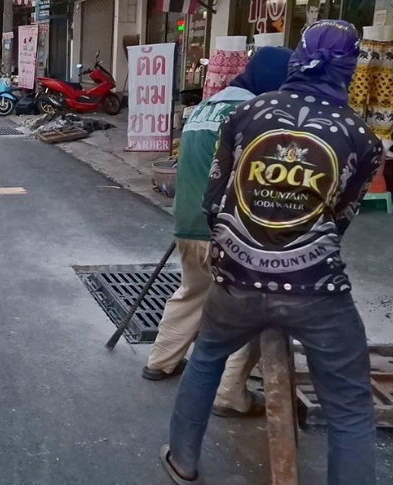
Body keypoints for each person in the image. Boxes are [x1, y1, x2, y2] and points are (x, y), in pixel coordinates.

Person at [160, 20, 381, 485]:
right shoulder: (362, 137)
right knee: (349, 407)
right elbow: (343, 216)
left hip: (237, 279)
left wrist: (239, 253)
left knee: (206, 357)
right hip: (315, 288)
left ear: (299, 57)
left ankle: (182, 460)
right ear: (349, 67)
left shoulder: (247, 113)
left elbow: (214, 199)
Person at [144, 46, 293, 418]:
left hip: (187, 221)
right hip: (228, 228)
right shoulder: (254, 113)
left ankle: (160, 360)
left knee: (193, 292)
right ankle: (229, 393)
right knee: (252, 310)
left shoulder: (205, 108)